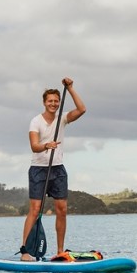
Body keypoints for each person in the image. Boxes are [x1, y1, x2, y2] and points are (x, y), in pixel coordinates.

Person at [19, 78, 86, 261]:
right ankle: (25, 250)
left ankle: (60, 251)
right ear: (44, 102)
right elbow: (34, 146)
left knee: (62, 209)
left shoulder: (62, 119)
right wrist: (47, 145)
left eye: (56, 101)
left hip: (58, 170)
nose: (54, 104)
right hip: (39, 170)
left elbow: (82, 109)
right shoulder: (36, 122)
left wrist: (70, 88)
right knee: (36, 209)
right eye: (50, 101)